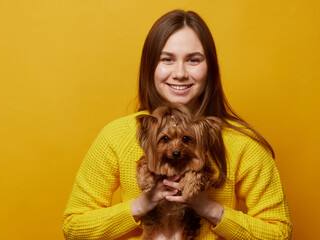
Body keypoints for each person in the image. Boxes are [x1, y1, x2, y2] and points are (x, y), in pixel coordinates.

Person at [63, 10, 292, 239]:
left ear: (210, 68)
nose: (180, 73)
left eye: (193, 60)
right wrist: (140, 205)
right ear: (150, 66)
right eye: (167, 59)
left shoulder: (244, 145)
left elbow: (280, 232)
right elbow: (74, 227)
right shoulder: (117, 136)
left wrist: (209, 209)